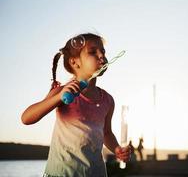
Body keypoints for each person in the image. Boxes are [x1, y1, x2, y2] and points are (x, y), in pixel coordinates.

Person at [21, 33, 130, 177]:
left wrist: (116, 149)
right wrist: (57, 97)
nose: (101, 56)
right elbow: (26, 118)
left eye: (103, 51)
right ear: (74, 62)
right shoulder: (62, 92)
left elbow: (106, 133)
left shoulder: (108, 100)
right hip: (62, 173)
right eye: (93, 52)